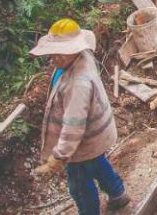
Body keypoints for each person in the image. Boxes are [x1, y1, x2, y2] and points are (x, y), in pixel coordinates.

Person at [31, 19, 130, 213]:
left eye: (62, 51)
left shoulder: (78, 84)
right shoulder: (77, 58)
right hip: (95, 134)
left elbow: (73, 126)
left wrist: (60, 156)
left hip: (82, 142)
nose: (55, 57)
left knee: (80, 186)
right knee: (97, 163)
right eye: (54, 51)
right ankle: (118, 194)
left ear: (74, 48)